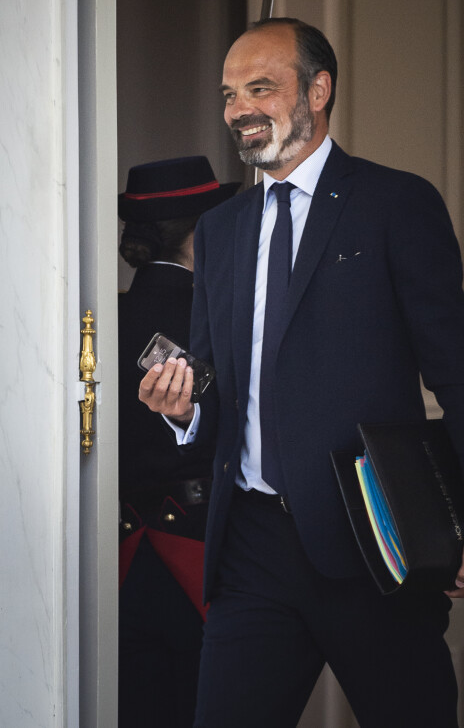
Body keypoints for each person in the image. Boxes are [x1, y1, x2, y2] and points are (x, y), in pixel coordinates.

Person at [138, 18, 464, 728]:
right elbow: (211, 377)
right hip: (250, 551)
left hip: (375, 537)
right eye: (230, 94)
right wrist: (183, 408)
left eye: (260, 87)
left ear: (319, 91)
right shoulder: (223, 230)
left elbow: (459, 371)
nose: (239, 109)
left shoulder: (396, 205)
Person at [117, 155, 239, 728]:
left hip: (117, 558)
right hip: (201, 550)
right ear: (200, 231)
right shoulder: (214, 313)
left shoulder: (97, 317)